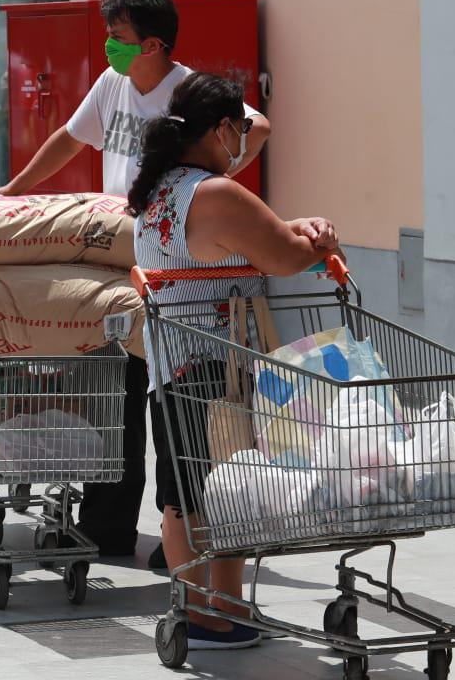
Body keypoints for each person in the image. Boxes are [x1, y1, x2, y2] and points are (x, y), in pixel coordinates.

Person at [1, 0, 271, 565]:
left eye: (118, 37)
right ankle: (109, 524)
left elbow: (259, 126)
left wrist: (215, 180)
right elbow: (68, 140)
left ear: (153, 44)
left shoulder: (190, 91)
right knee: (116, 390)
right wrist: (12, 190)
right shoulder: (111, 83)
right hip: (121, 256)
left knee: (174, 403)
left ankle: (183, 531)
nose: (109, 46)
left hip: (173, 266)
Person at [129, 73, 338, 650]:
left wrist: (295, 231)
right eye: (240, 130)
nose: (244, 140)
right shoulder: (216, 192)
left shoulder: (161, 187)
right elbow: (285, 257)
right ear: (222, 129)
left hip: (173, 364)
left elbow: (242, 243)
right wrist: (320, 238)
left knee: (185, 493)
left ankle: (208, 610)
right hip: (218, 366)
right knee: (227, 491)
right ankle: (213, 615)